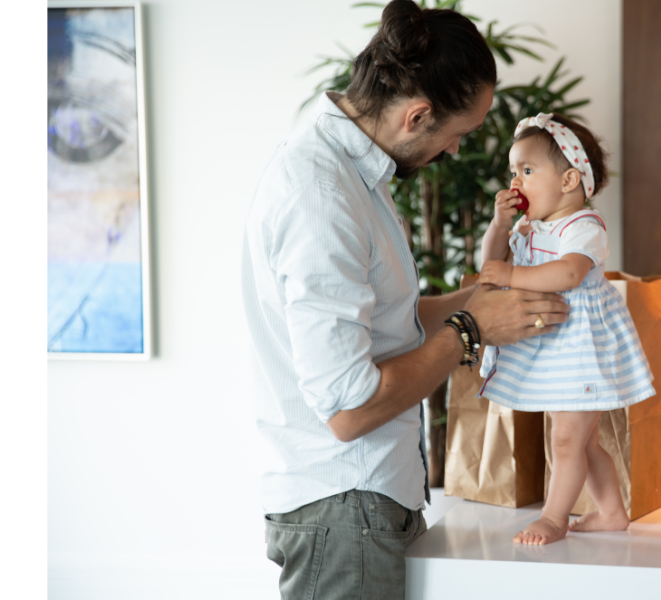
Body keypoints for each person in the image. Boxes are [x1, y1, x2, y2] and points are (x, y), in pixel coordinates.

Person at [241, 2, 570, 598]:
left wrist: (480, 298)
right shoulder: (322, 196)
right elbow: (349, 409)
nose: (453, 151)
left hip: (360, 507)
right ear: (419, 115)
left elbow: (386, 322)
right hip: (341, 511)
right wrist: (471, 330)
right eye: (458, 134)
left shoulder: (354, 172)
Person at [477, 112, 656, 546]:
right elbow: (490, 260)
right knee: (583, 440)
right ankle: (612, 512)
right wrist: (500, 227)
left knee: (566, 439)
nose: (515, 181)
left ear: (569, 180)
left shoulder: (584, 226)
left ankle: (554, 519)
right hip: (554, 344)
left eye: (528, 170)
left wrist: (510, 276)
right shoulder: (529, 225)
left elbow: (569, 274)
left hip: (579, 347)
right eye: (513, 171)